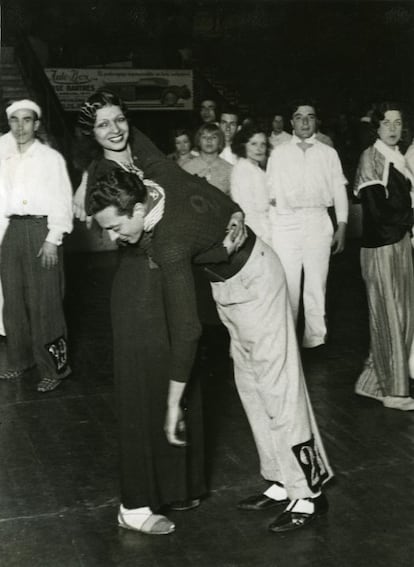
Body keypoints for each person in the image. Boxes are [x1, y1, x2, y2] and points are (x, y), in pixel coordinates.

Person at [82, 101, 334, 533]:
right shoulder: (159, 173)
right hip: (229, 284)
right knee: (251, 383)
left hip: (257, 279)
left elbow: (187, 330)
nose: (112, 236)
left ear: (138, 210)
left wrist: (171, 402)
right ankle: (279, 479)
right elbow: (143, 143)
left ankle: (308, 493)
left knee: (278, 384)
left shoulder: (169, 243)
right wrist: (231, 213)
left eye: (115, 226)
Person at [73, 89, 246, 535]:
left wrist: (230, 211)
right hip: (139, 289)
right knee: (145, 389)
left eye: (118, 120)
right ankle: (132, 507)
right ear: (91, 135)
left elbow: (178, 180)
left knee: (183, 368)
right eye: (102, 125)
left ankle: (176, 484)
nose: (114, 130)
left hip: (172, 273)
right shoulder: (103, 173)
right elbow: (154, 227)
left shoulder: (140, 148)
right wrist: (206, 238)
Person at [0, 99, 73, 391]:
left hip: (42, 230)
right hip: (12, 230)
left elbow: (62, 201)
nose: (20, 126)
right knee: (13, 301)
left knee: (47, 303)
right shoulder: (3, 155)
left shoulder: (50, 158)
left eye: (27, 120)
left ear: (37, 124)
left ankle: (54, 369)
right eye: (14, 120)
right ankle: (20, 360)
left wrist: (54, 238)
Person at [267, 100, 348, 349]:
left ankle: (315, 339)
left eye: (310, 117)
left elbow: (338, 190)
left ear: (316, 121)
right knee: (289, 284)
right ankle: (288, 340)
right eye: (299, 117)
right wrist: (272, 230)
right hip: (286, 223)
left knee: (316, 283)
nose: (304, 121)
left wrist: (342, 226)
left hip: (318, 221)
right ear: (291, 122)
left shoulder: (328, 153)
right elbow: (269, 194)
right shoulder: (279, 153)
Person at [353, 102, 414, 411]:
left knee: (401, 317)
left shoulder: (398, 158)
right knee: (390, 319)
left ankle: (372, 382)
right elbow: (377, 212)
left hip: (398, 243)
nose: (393, 128)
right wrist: (410, 217)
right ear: (376, 127)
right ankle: (394, 391)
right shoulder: (371, 157)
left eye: (398, 123)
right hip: (381, 247)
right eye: (387, 123)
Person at [230, 124, 272, 246]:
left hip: (265, 229)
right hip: (256, 233)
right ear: (243, 146)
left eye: (263, 144)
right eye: (253, 144)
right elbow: (247, 211)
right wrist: (263, 238)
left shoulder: (256, 169)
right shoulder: (242, 170)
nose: (259, 149)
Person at [182, 122, 232, 195]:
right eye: (204, 137)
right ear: (199, 141)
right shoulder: (187, 168)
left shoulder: (230, 170)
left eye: (214, 137)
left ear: (220, 141)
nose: (209, 140)